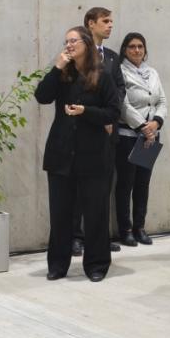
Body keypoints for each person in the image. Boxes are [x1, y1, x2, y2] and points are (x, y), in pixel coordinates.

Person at [35, 25, 121, 282]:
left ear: (86, 44)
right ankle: (57, 265)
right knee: (60, 215)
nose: (69, 45)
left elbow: (114, 113)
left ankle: (96, 265)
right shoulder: (62, 75)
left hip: (93, 156)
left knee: (95, 214)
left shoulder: (102, 76)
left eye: (74, 41)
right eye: (66, 41)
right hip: (61, 155)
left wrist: (87, 112)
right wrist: (56, 67)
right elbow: (42, 96)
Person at [74, 6, 123, 256]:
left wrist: (110, 115)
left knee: (103, 188)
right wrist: (95, 115)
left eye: (111, 21)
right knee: (77, 189)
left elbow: (119, 90)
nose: (110, 25)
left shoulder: (113, 57)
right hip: (82, 131)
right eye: (105, 21)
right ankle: (76, 236)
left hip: (108, 131)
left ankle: (99, 238)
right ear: (90, 24)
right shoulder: (78, 54)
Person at [115, 32, 167, 246]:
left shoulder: (152, 72)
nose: (137, 50)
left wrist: (156, 122)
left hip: (150, 136)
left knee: (142, 184)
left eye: (140, 46)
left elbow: (162, 100)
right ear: (125, 50)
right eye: (132, 47)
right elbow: (122, 104)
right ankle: (125, 229)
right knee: (125, 184)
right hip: (128, 135)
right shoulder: (119, 71)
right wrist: (143, 126)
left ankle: (140, 227)